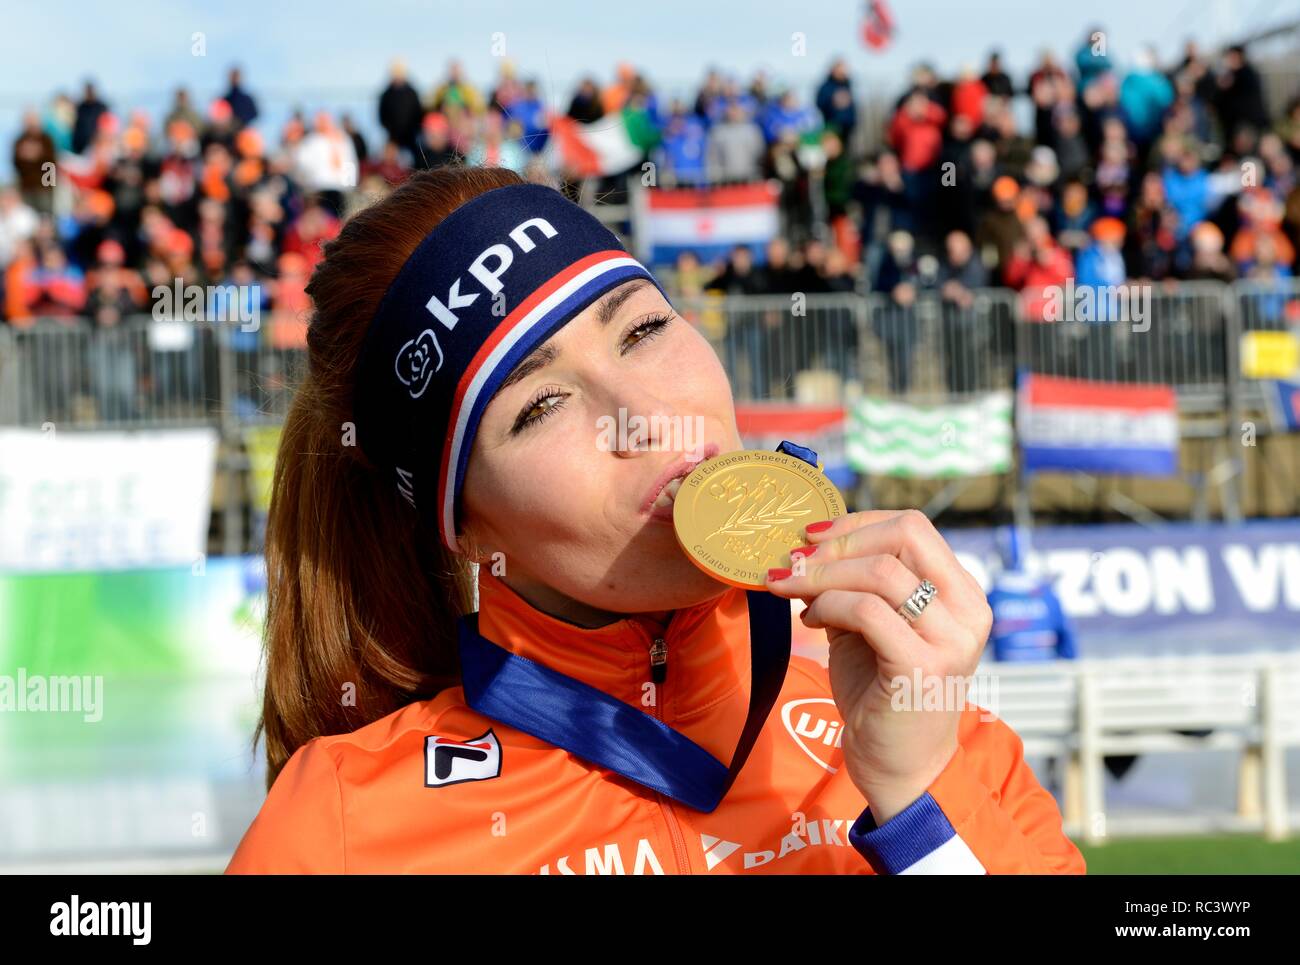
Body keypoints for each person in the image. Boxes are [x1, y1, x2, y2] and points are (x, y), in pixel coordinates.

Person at [225, 166, 1083, 874]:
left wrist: (921, 803)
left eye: (640, 329)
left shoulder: (924, 727)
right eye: (541, 404)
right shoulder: (341, 831)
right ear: (466, 528)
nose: (645, 414)